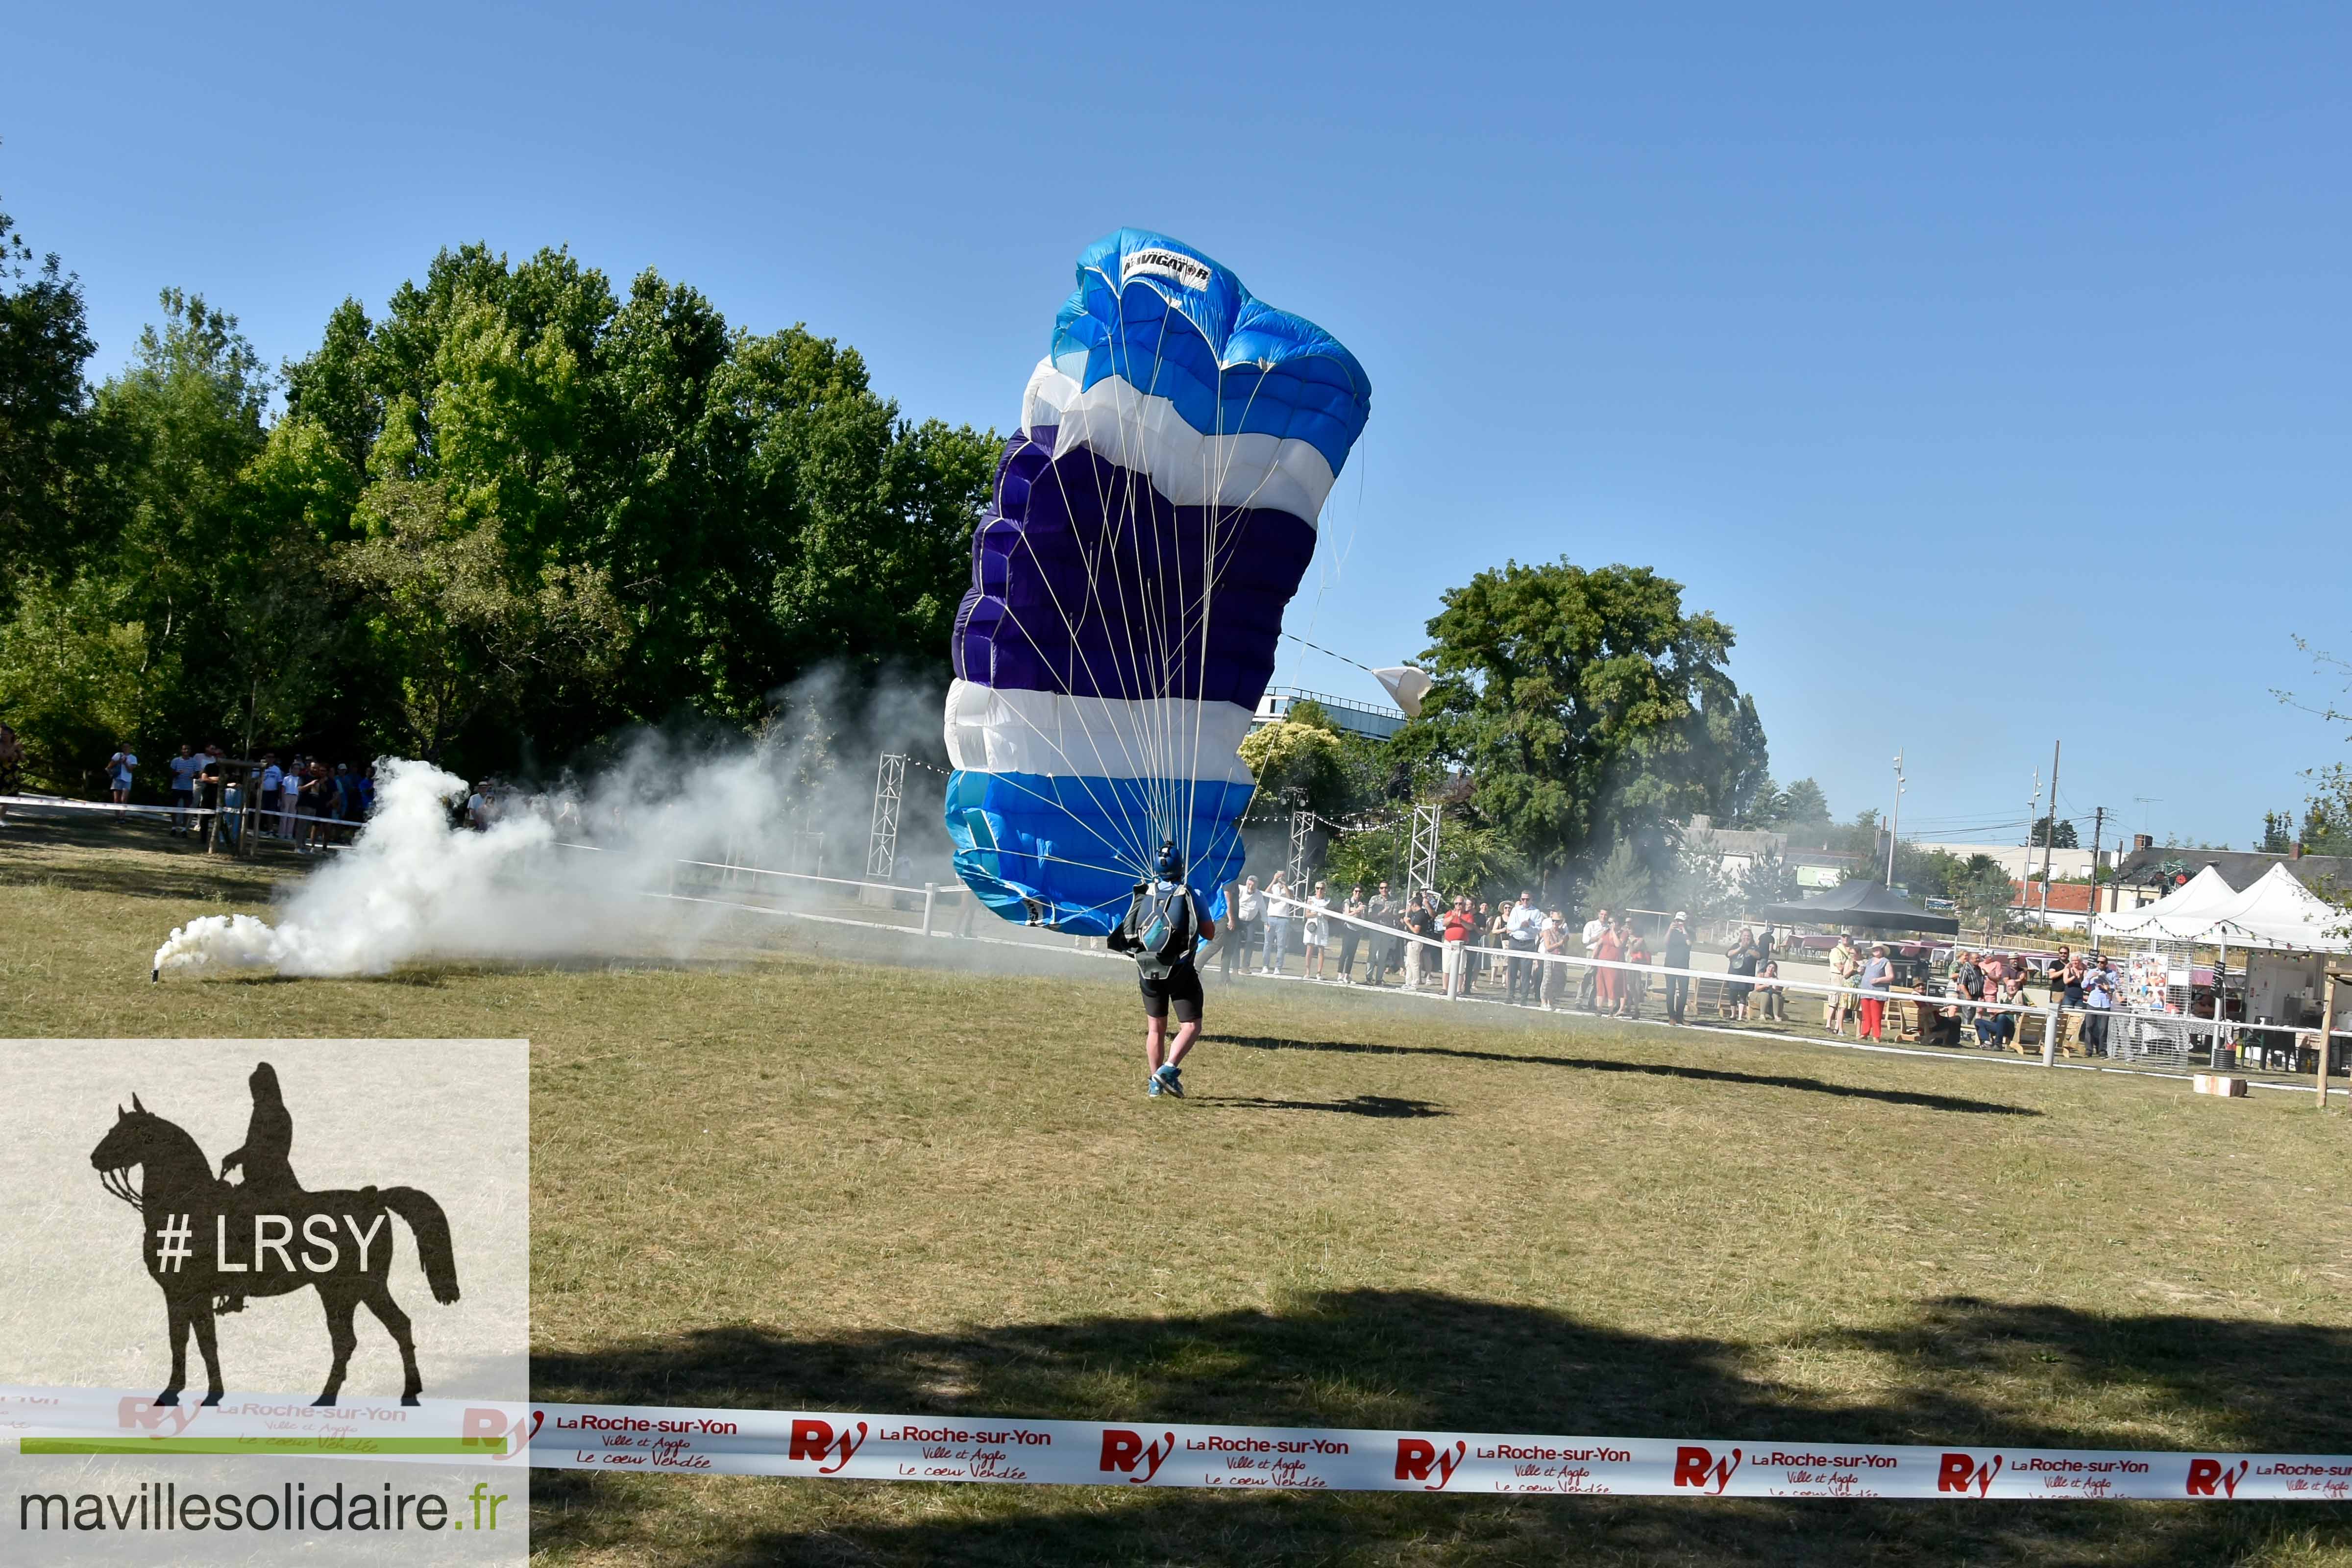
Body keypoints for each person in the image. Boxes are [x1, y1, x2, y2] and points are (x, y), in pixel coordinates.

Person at [1106, 841, 1217, 1098]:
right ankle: (1167, 1070)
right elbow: (1209, 933)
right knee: (1190, 1025)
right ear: (1181, 867)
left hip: (1147, 967)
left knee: (1156, 1028)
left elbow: (1131, 928)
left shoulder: (1143, 892)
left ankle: (1155, 1085)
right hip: (1179, 969)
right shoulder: (1191, 894)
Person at [1503, 892, 1541, 1004]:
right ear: (1521, 899)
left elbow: (1538, 929)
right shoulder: (1516, 910)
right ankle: (1510, 996)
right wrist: (1520, 925)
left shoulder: (1536, 912)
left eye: (1528, 900)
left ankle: (1524, 998)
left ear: (1532, 900)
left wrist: (1528, 927)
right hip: (1515, 942)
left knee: (1526, 972)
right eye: (1523, 899)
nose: (1525, 902)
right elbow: (1510, 927)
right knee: (1512, 971)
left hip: (1528, 943)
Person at [1227, 875, 1263, 980]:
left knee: (1251, 942)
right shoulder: (1240, 890)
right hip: (1239, 920)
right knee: (1236, 943)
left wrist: (1266, 922)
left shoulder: (1259, 895)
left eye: (1253, 885)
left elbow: (1263, 909)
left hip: (1250, 921)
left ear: (1257, 885)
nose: (1251, 886)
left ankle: (1245, 967)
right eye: (1249, 884)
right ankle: (1235, 968)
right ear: (1246, 883)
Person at [1364, 881, 1399, 984]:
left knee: (1383, 957)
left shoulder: (1394, 902)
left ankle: (1379, 979)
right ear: (1379, 889)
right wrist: (1382, 913)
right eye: (1382, 888)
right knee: (1372, 955)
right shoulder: (1374, 899)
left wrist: (1389, 915)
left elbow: (1396, 917)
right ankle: (1369, 978)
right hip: (1375, 929)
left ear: (1389, 889)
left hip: (1387, 930)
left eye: (1386, 888)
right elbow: (1370, 915)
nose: (1384, 890)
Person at [1662, 912, 1694, 1024]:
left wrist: (1684, 929)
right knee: (1670, 991)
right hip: (1670, 964)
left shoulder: (1690, 932)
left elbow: (1689, 943)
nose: (1679, 923)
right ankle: (1672, 1016)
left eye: (1681, 921)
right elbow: (1665, 942)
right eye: (1677, 921)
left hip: (1683, 965)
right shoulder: (1671, 932)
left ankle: (1680, 1016)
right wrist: (1670, 930)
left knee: (1683, 992)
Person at [1442, 895, 1476, 999]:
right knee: (1446, 967)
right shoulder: (1449, 913)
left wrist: (1461, 920)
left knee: (1460, 969)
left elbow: (1470, 928)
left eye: (1460, 904)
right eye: (1456, 904)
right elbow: (1444, 923)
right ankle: (1445, 988)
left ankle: (1459, 990)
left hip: (1461, 945)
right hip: (1449, 943)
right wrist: (1453, 916)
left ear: (1464, 905)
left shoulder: (1469, 916)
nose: (1458, 906)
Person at [1858, 944, 1894, 1041]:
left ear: (1882, 951)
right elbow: (1863, 971)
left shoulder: (1886, 962)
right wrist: (1860, 970)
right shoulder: (1869, 961)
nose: (1876, 951)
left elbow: (1891, 977)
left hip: (1878, 993)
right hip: (1865, 991)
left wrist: (1878, 980)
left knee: (1876, 1016)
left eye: (1878, 949)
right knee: (1866, 1015)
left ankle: (1876, 1036)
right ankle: (1864, 1033)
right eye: (1874, 949)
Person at [1825, 933, 1860, 1035]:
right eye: (1844, 936)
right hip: (1837, 977)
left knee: (1843, 1003)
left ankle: (1837, 1027)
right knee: (1834, 1001)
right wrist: (1851, 967)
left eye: (1848, 937)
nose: (1846, 939)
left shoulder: (1851, 951)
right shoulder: (1836, 951)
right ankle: (1828, 1025)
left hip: (1848, 979)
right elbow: (1840, 968)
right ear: (1841, 938)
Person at [1259, 873, 1293, 974]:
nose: (1281, 878)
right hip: (1270, 917)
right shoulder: (1273, 886)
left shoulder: (1290, 888)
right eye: (1280, 876)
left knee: (1281, 945)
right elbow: (1265, 893)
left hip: (1284, 919)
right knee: (1267, 943)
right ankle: (1265, 966)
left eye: (1283, 876)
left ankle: (1278, 968)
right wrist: (1274, 880)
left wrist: (1284, 885)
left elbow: (1290, 898)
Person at [1577, 907, 1610, 1010]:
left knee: (1597, 980)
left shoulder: (1609, 927)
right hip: (1591, 952)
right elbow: (1585, 940)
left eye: (1606, 915)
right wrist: (1599, 937)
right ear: (1598, 914)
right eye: (1602, 914)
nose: (1603, 917)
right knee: (1587, 977)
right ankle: (1579, 1000)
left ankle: (1591, 1002)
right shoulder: (1591, 925)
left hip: (1603, 954)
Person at [1592, 914, 1625, 1013]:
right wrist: (1594, 956)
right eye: (1609, 923)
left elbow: (1618, 945)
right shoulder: (1605, 932)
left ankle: (1611, 1010)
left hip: (1614, 964)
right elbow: (1599, 944)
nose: (1609, 925)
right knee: (1600, 986)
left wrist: (1614, 932)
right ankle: (1599, 1009)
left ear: (1617, 923)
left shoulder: (1623, 933)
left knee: (1611, 987)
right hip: (1602, 963)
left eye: (1611, 923)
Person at [168, 743, 203, 834]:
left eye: (188, 749)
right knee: (174, 808)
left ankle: (184, 829)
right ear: (181, 750)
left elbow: (198, 774)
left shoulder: (194, 762)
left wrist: (194, 776)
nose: (186, 751)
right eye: (184, 749)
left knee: (187, 809)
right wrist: (178, 773)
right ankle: (174, 827)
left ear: (190, 751)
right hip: (177, 787)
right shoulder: (176, 761)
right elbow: (171, 774)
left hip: (188, 788)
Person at [1722, 929, 1758, 1020]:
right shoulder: (1736, 945)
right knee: (1733, 995)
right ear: (1741, 937)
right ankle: (1733, 1015)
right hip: (1734, 974)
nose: (1746, 938)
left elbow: (1759, 956)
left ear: (1752, 938)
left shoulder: (1754, 947)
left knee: (1743, 996)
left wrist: (1748, 950)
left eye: (1748, 936)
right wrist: (1740, 948)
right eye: (1745, 936)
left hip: (1747, 975)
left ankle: (1740, 1017)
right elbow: (1728, 954)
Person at [1539, 908, 1569, 1008]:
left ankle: (1551, 1001)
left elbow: (1565, 950)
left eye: (1558, 921)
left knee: (1556, 980)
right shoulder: (1547, 932)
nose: (1555, 923)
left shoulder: (1563, 933)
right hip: (1549, 958)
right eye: (1554, 921)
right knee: (1547, 979)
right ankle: (1543, 1001)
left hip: (1559, 959)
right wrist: (1560, 943)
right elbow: (1548, 947)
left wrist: (1564, 944)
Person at [1302, 880, 1331, 980]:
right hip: (1312, 925)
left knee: (1321, 948)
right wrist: (1316, 913)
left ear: (1325, 890)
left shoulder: (1328, 901)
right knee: (1309, 948)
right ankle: (1308, 972)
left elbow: (1329, 917)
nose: (1320, 890)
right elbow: (1307, 915)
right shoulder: (1310, 900)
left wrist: (1324, 914)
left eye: (1322, 888)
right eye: (1318, 888)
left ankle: (1319, 973)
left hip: (1323, 925)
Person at [1337, 885, 1367, 983]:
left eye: (1360, 892)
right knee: (1344, 952)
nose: (1358, 893)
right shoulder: (1347, 902)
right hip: (1348, 929)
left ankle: (1347, 976)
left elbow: (1363, 918)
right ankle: (1340, 975)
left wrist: (1361, 911)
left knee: (1352, 954)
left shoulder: (1360, 903)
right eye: (1356, 891)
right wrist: (1357, 910)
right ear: (1353, 892)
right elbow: (1346, 915)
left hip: (1357, 930)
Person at [1620, 930, 1652, 1018]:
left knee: (1634, 988)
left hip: (1634, 965)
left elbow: (1633, 951)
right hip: (1625, 964)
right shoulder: (1625, 937)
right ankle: (1627, 1006)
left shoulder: (1640, 940)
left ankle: (1636, 1009)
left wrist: (1630, 944)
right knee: (1627, 987)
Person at [0, 723, 22, 823]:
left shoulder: (15, 745)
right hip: (2, 773)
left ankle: (0, 819)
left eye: (5, 735)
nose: (3, 736)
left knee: (9, 798)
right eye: (2, 734)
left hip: (13, 775)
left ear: (11, 735)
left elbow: (24, 759)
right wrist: (14, 748)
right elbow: (3, 757)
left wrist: (19, 751)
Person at [106, 742, 138, 806]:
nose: (126, 748)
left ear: (130, 748)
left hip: (127, 780)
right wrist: (119, 761)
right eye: (124, 747)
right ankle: (117, 815)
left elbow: (130, 771)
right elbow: (109, 766)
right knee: (116, 799)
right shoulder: (118, 755)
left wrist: (125, 763)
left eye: (127, 747)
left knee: (124, 799)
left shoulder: (133, 758)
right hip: (117, 778)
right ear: (122, 748)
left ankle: (122, 815)